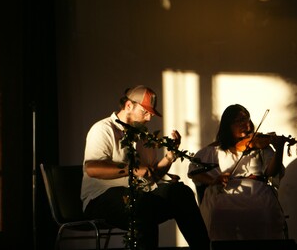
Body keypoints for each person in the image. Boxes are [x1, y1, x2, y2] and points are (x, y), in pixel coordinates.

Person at [80, 85, 210, 250]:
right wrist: (132, 169)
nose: (149, 118)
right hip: (101, 199)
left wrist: (170, 156)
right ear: (128, 106)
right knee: (140, 205)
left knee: (180, 193)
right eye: (145, 112)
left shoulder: (143, 137)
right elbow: (92, 168)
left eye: (151, 114)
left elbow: (151, 174)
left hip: (141, 196)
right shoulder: (103, 130)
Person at [187, 104, 288, 241]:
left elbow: (271, 171)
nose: (246, 124)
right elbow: (194, 171)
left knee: (266, 210)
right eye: (239, 121)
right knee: (220, 212)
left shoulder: (260, 145)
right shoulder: (215, 149)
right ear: (228, 125)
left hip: (257, 192)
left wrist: (279, 149)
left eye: (247, 120)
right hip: (226, 192)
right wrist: (214, 180)